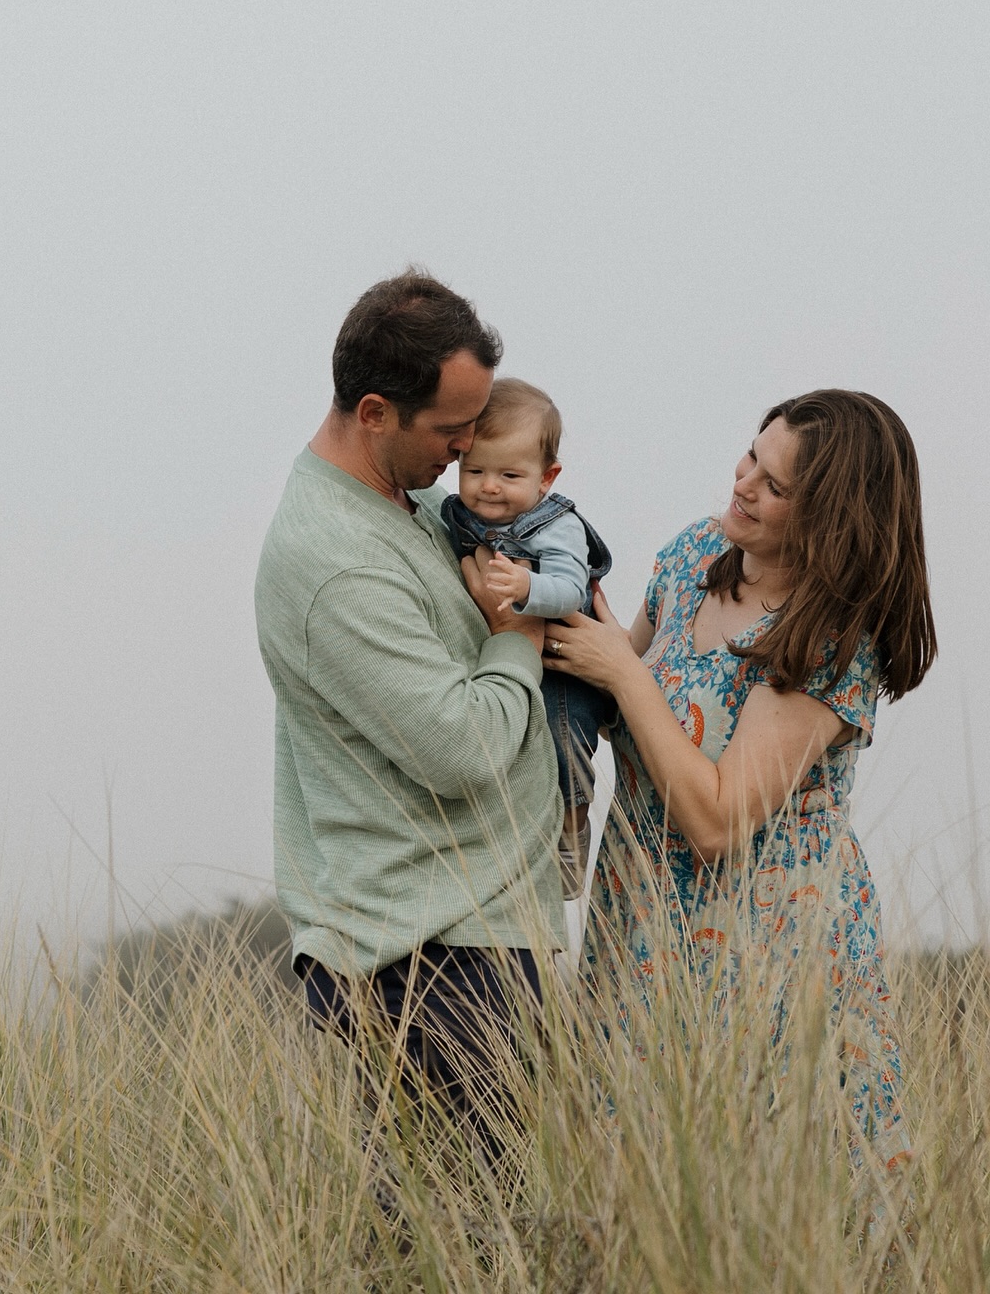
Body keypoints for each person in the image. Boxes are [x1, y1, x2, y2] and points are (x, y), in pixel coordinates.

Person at [545, 390, 935, 1167]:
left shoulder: (828, 641)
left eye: (775, 486)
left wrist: (624, 674)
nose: (744, 482)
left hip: (769, 951)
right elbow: (618, 686)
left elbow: (718, 820)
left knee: (761, 1191)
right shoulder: (693, 556)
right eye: (752, 455)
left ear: (830, 519)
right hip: (641, 926)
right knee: (633, 1194)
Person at [254, 271, 564, 1157]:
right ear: (377, 412)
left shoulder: (420, 502)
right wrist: (519, 632)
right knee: (463, 1240)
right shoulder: (336, 562)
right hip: (428, 956)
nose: (470, 447)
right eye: (452, 429)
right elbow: (462, 748)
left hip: (474, 936)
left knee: (484, 1234)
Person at [434, 377, 614, 897]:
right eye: (475, 471)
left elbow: (570, 587)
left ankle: (573, 836)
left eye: (509, 474)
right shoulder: (458, 512)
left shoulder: (555, 526)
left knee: (563, 746)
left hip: (565, 665)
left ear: (546, 478)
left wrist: (527, 585)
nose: (489, 486)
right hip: (513, 657)